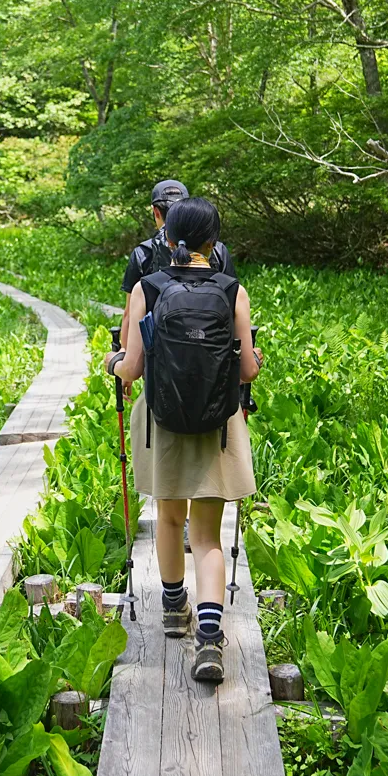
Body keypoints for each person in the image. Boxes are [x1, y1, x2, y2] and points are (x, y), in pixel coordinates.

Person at [104, 197, 262, 684]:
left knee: (169, 519)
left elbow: (131, 367)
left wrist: (110, 364)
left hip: (163, 421)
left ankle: (175, 610)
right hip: (217, 424)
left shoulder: (147, 290)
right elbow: (248, 368)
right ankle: (211, 639)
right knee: (208, 536)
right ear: (214, 242)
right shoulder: (233, 290)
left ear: (168, 238)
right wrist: (253, 353)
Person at [121, 179, 236, 295]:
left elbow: (129, 312)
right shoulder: (216, 248)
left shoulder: (142, 253)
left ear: (156, 212)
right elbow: (232, 296)